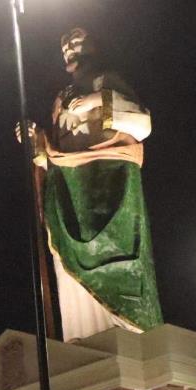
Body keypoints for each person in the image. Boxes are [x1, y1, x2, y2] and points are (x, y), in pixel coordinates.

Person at [18, 27, 162, 339]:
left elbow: (143, 124)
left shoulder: (106, 80)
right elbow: (52, 156)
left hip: (110, 180)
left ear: (95, 44)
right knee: (70, 268)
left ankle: (129, 331)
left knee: (115, 257)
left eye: (76, 41)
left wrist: (95, 102)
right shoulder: (60, 99)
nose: (69, 49)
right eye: (64, 46)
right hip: (71, 186)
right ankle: (82, 342)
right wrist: (36, 143)